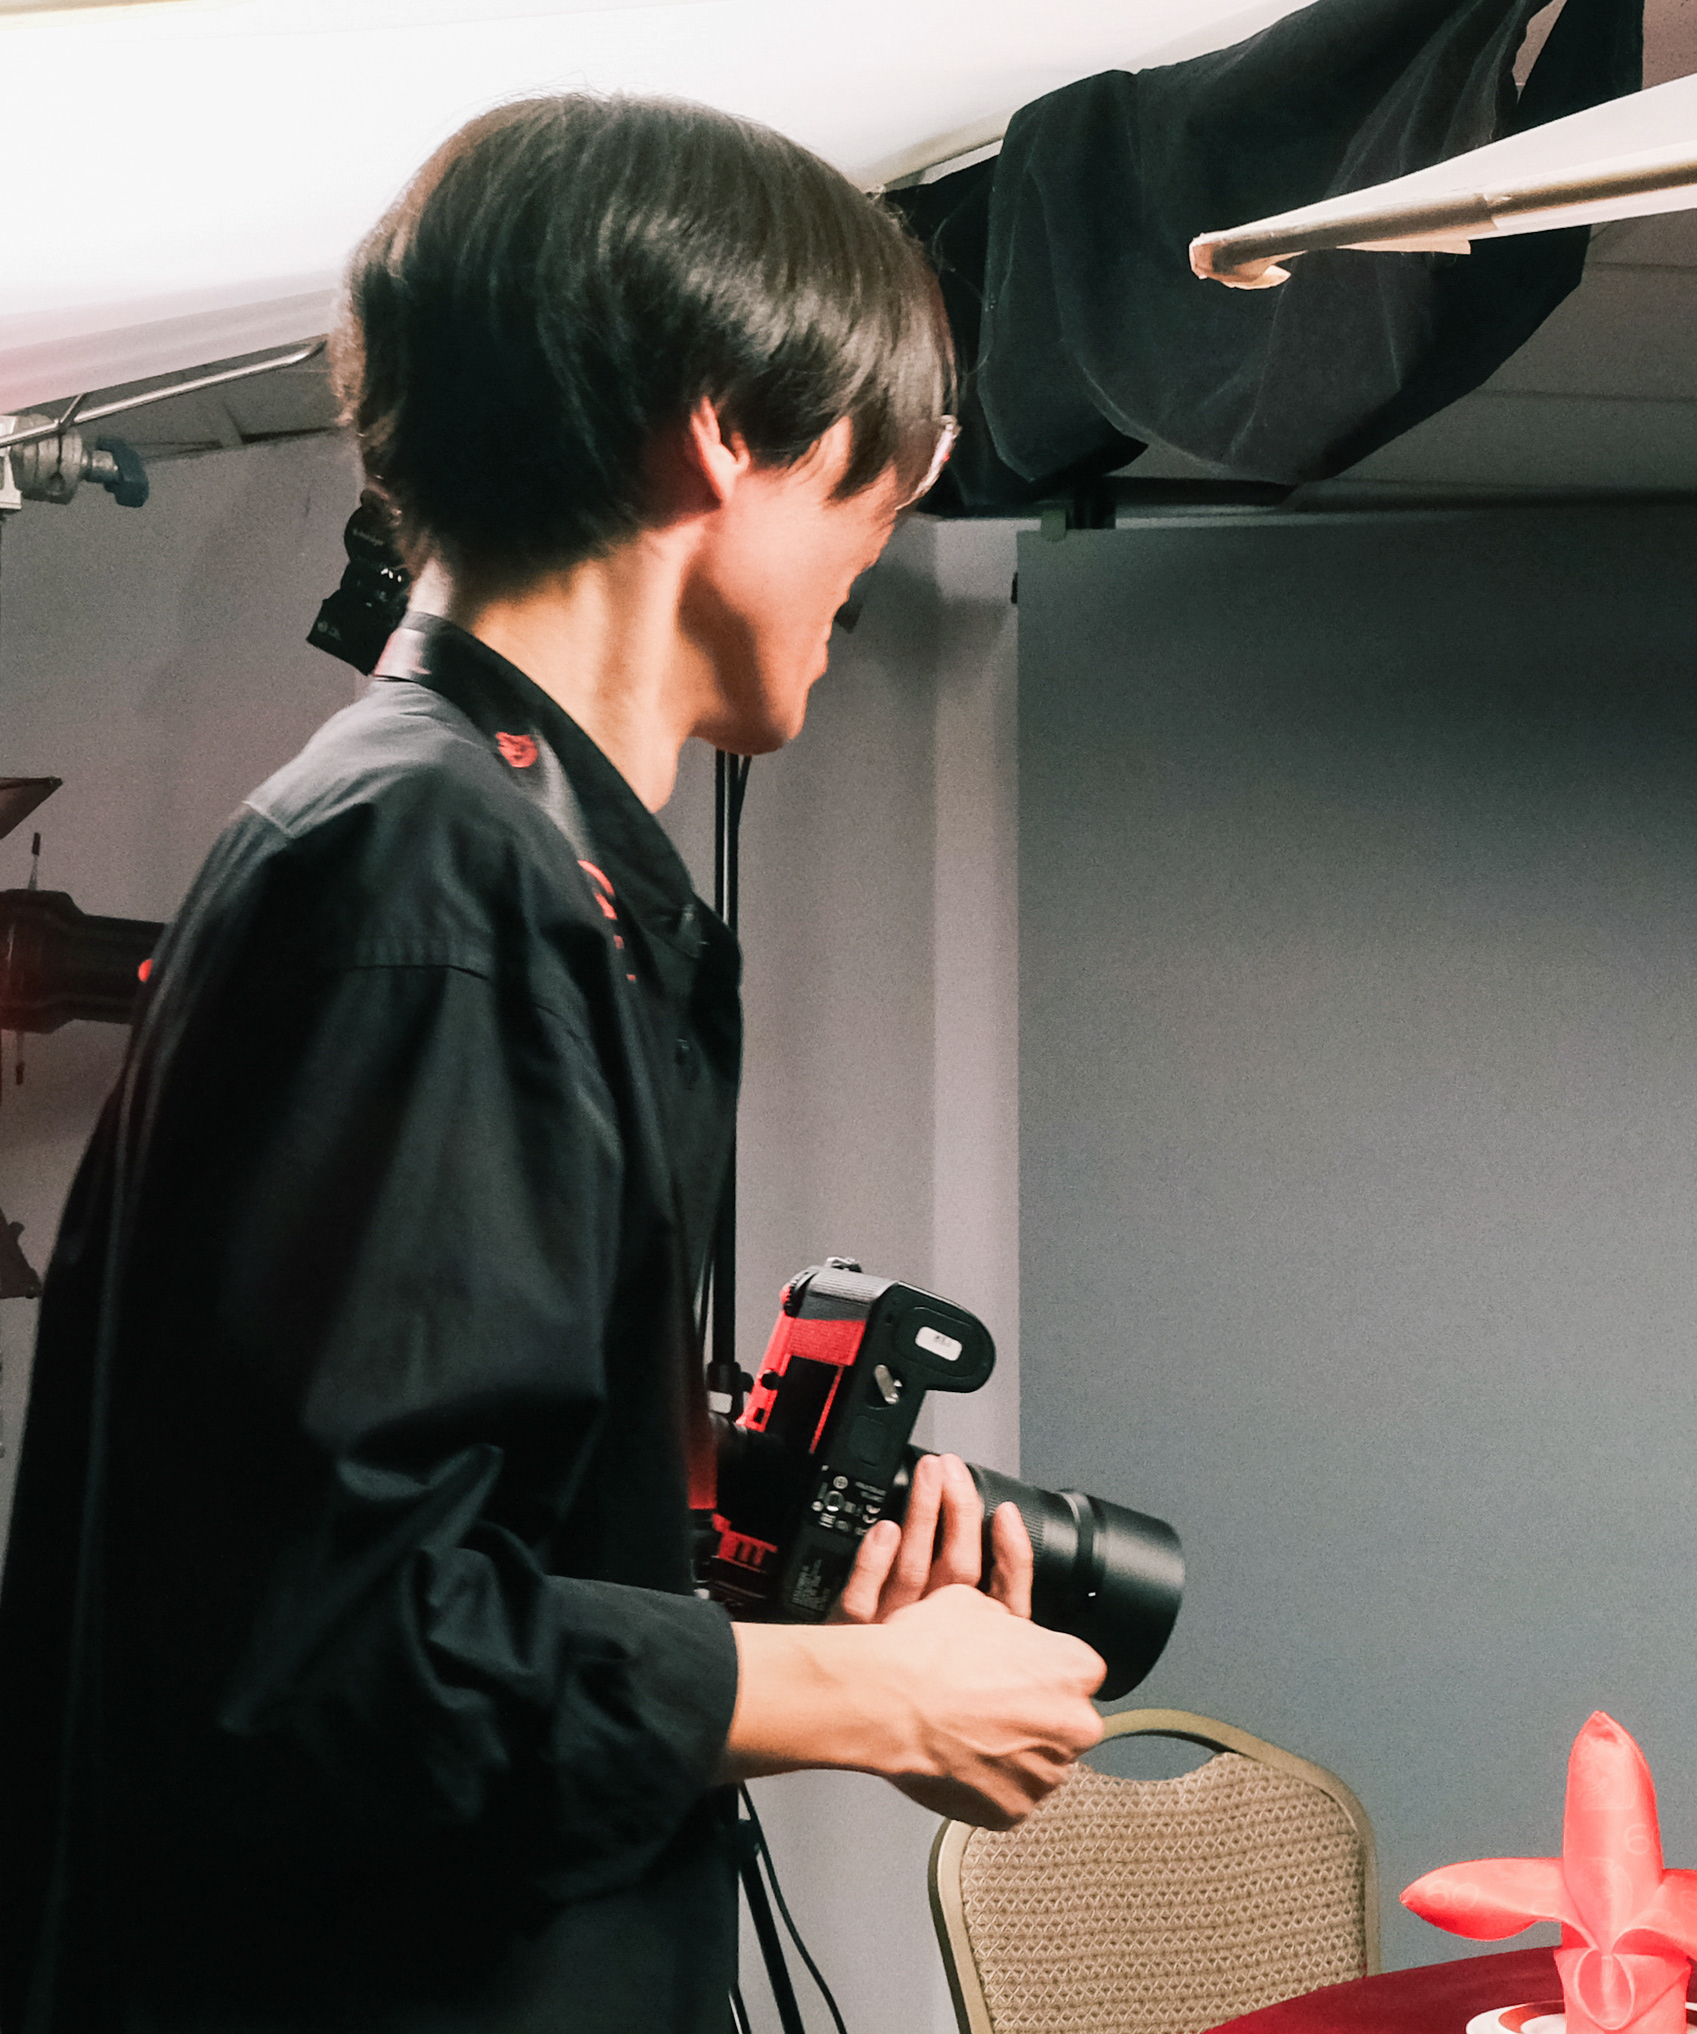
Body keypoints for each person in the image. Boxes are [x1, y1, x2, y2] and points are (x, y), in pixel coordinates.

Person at [0, 97, 1107, 2031]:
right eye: (887, 470)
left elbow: (404, 1570)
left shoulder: (465, 849)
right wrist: (863, 1694)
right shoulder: (439, 875)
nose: (884, 539)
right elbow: (334, 1652)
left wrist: (757, 1596)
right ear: (724, 427)